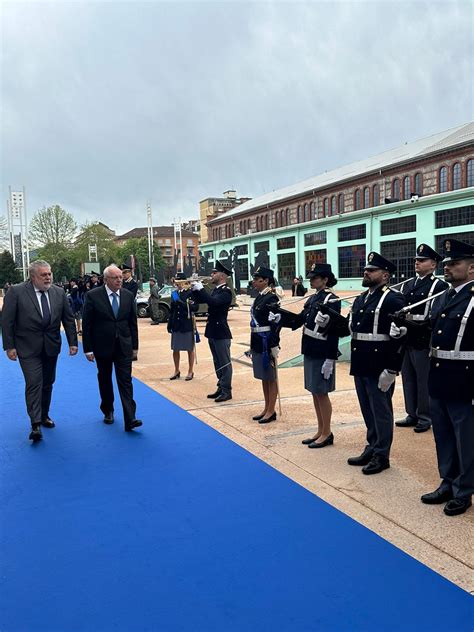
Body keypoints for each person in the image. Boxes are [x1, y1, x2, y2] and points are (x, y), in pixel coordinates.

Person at [409, 239, 473, 516]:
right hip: (439, 375)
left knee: (465, 438)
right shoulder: (446, 295)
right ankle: (447, 481)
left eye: (454, 263)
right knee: (443, 435)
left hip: (464, 378)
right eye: (445, 263)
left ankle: (464, 490)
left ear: (472, 268)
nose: (447, 267)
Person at [335, 252, 406, 474]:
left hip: (380, 364)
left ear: (385, 275)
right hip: (361, 361)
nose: (366, 272)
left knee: (381, 411)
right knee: (367, 409)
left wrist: (392, 369)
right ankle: (372, 445)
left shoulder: (393, 299)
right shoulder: (361, 298)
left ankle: (382, 454)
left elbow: (400, 339)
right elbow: (353, 328)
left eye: (371, 270)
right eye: (366, 269)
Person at [2, 260, 78, 442]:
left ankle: (44, 415)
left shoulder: (59, 293)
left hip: (51, 346)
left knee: (48, 382)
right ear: (33, 276)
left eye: (49, 274)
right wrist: (9, 346)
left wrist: (73, 342)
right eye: (44, 275)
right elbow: (7, 321)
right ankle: (35, 423)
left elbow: (68, 319)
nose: (48, 277)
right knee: (34, 382)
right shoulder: (17, 292)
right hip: (27, 347)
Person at [275, 263, 340, 445]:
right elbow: (299, 319)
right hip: (311, 348)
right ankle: (320, 430)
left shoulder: (331, 300)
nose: (311, 280)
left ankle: (327, 432)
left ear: (325, 279)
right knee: (314, 391)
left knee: (322, 392)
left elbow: (334, 331)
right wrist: (280, 317)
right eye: (310, 277)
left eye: (315, 277)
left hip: (322, 351)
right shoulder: (313, 299)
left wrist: (330, 358)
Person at [82, 264, 143, 431]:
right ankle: (108, 409)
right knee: (105, 379)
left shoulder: (128, 295)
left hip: (124, 345)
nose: (119, 280)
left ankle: (130, 418)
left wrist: (135, 346)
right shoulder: (93, 296)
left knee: (126, 381)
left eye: (120, 277)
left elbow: (133, 322)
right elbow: (87, 324)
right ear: (106, 279)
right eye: (115, 278)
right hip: (102, 346)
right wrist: (88, 348)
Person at [395, 244, 449, 433]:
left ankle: (425, 416)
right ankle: (412, 413)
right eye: (416, 260)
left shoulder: (439, 285)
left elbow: (434, 313)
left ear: (433, 264)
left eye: (422, 260)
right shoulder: (408, 284)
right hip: (405, 337)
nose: (417, 263)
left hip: (422, 337)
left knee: (423, 379)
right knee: (408, 378)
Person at [191, 261, 233, 402]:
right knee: (217, 362)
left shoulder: (226, 292)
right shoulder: (216, 290)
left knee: (224, 362)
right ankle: (221, 386)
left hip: (221, 331)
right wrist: (195, 289)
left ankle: (227, 390)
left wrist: (201, 288)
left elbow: (213, 302)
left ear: (222, 275)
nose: (211, 275)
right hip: (213, 331)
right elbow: (202, 300)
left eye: (214, 273)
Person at [249, 267, 281, 424]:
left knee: (271, 377)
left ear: (266, 280)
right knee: (264, 376)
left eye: (257, 279)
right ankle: (266, 407)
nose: (254, 281)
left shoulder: (271, 298)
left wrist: (274, 343)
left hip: (267, 341)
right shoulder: (259, 297)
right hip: (257, 340)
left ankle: (271, 410)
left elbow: (276, 323)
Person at [167, 273, 199, 381]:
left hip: (186, 324)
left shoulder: (190, 293)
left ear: (184, 282)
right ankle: (176, 370)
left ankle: (190, 371)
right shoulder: (174, 293)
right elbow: (172, 310)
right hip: (176, 324)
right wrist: (169, 323)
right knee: (175, 349)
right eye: (176, 282)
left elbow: (195, 307)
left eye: (179, 281)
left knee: (189, 349)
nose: (177, 284)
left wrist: (183, 304)